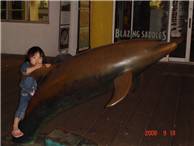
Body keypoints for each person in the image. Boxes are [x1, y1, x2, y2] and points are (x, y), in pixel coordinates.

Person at [11, 46, 51, 138]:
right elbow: (25, 71)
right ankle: (15, 127)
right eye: (34, 57)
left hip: (36, 93)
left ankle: (31, 124)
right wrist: (36, 67)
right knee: (22, 108)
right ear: (29, 58)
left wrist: (47, 66)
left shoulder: (42, 66)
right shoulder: (26, 65)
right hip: (26, 93)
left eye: (40, 58)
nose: (37, 60)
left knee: (36, 109)